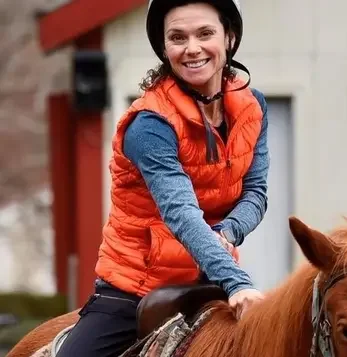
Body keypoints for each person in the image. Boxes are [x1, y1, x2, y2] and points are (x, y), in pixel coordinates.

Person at [56, 0, 269, 355]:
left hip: (207, 281)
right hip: (133, 289)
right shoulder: (150, 124)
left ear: (229, 38)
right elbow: (181, 215)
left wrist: (225, 235)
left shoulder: (253, 107)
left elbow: (256, 193)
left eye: (205, 33)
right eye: (178, 37)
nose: (192, 48)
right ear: (164, 47)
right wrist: (237, 282)